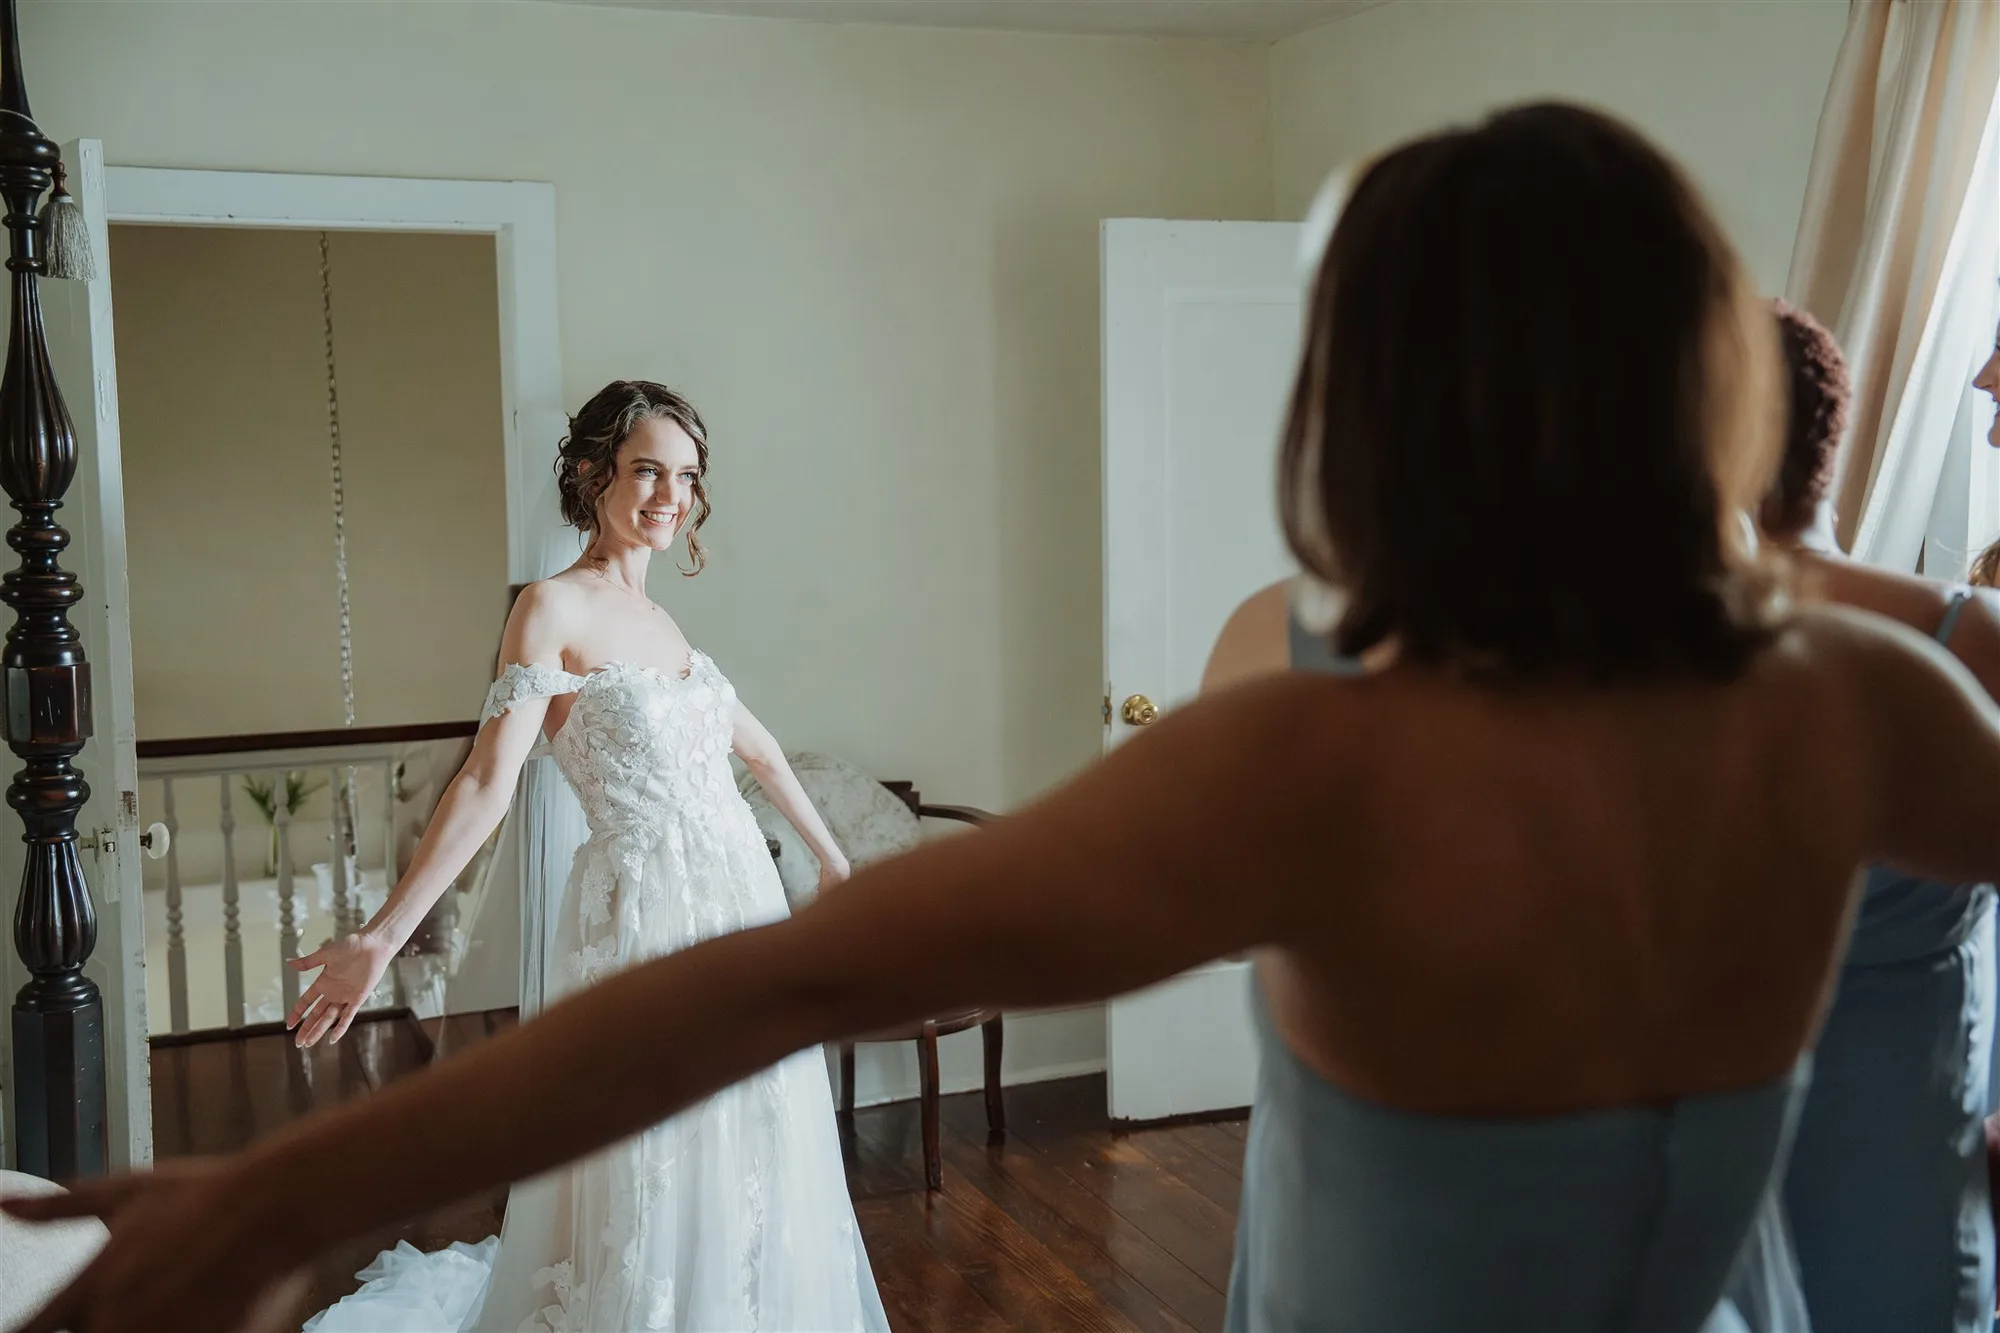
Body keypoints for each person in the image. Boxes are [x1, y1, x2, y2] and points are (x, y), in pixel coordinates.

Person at [19, 102, 2000, 1333]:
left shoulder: (1317, 754)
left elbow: (751, 995)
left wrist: (273, 1193)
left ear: (1377, 397)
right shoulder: (1854, 705)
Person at [287, 379, 888, 1331]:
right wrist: (384, 936)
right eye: (647, 469)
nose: (668, 495)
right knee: (658, 1141)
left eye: (685, 476)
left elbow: (758, 748)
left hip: (739, 901)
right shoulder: (549, 609)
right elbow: (490, 783)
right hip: (643, 913)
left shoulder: (668, 626)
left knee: (753, 1132)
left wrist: (834, 863)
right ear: (589, 472)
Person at [1754, 301, 2000, 1332]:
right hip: (1892, 1149)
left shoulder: (1652, 651)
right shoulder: (1959, 630)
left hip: (1725, 1149)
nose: (1983, 405)